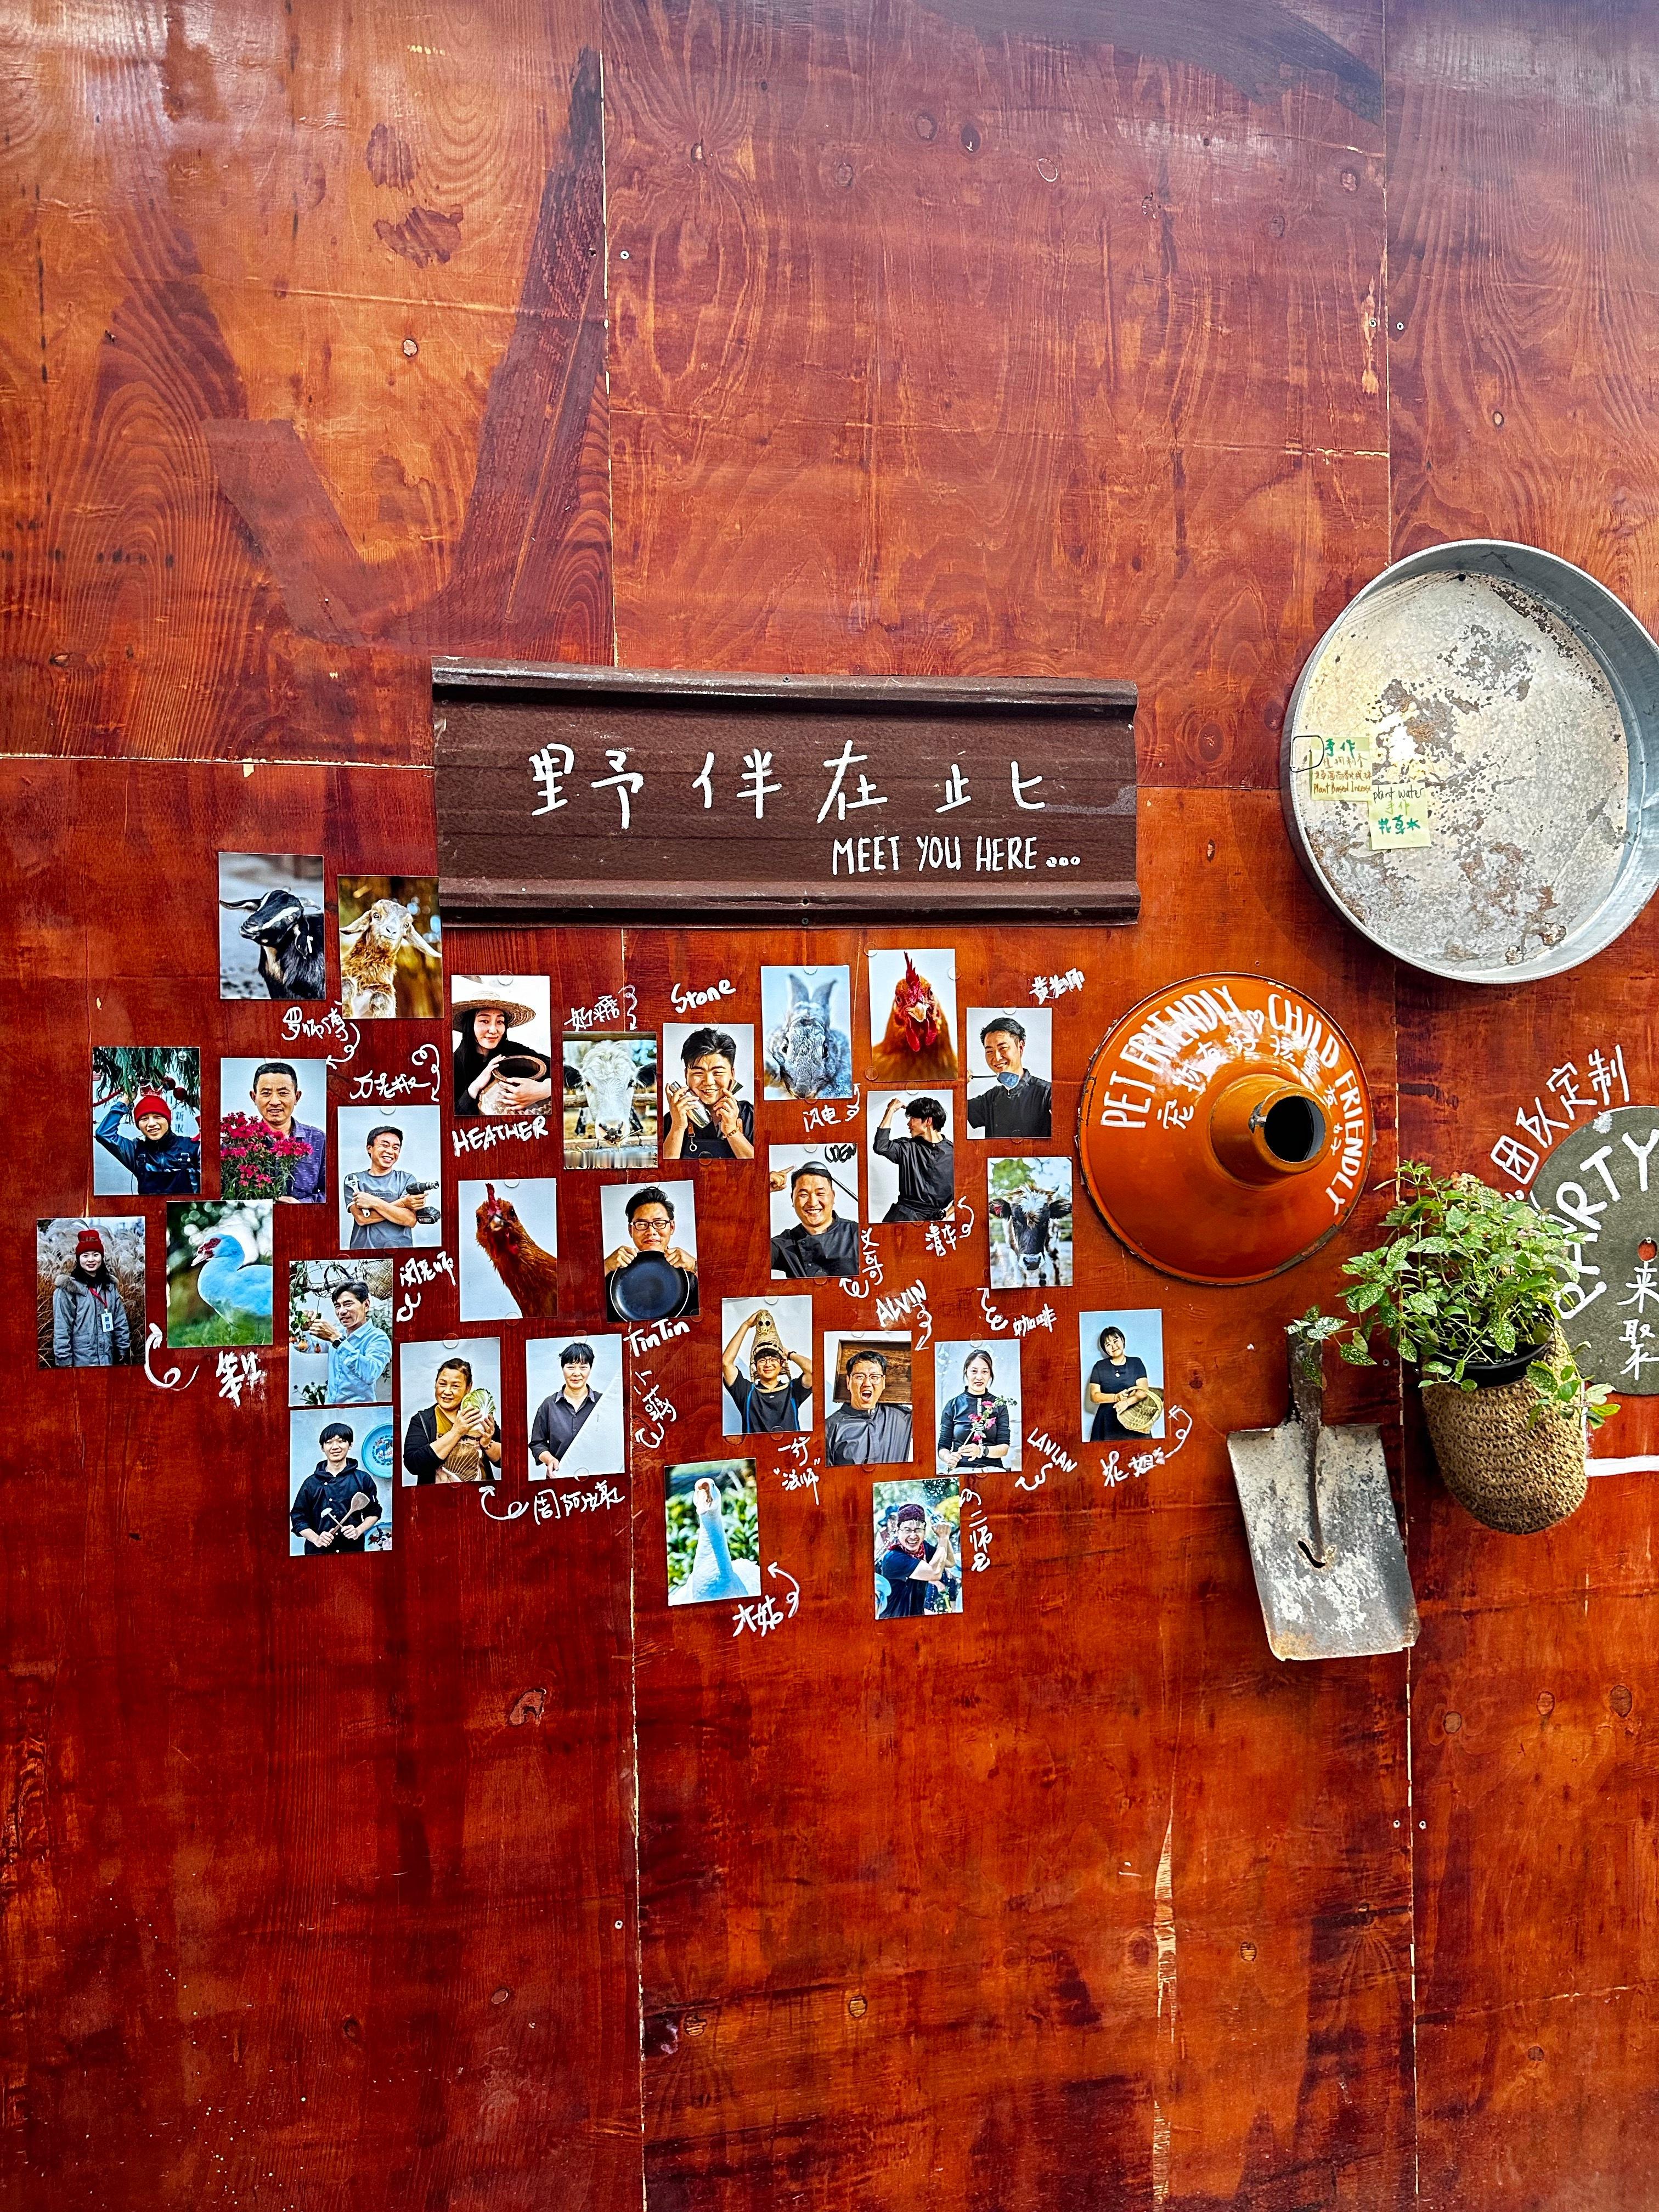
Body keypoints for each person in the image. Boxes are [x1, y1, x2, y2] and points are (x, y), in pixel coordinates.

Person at [402, 1357, 502, 1483]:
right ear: (435, 1384)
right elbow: (413, 1464)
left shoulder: (479, 1417)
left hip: (480, 1494)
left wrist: (487, 1444)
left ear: (468, 1388)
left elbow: (506, 1460)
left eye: (455, 1386)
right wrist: (456, 1432)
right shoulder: (422, 1420)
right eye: (442, 1384)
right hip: (438, 1496)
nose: (447, 1391)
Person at [452, 994, 553, 1119]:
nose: (493, 1030)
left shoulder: (515, 1051)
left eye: (500, 1022)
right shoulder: (451, 1065)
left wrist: (545, 1089)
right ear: (469, 1024)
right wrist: (475, 1087)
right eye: (484, 1021)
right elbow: (449, 1119)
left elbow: (564, 1071)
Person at [605, 1186, 698, 1321]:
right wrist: (606, 1266)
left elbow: (723, 1297)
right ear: (631, 1230)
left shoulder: (691, 1271)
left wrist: (696, 1266)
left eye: (659, 1223)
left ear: (672, 1227)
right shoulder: (613, 1274)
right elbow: (579, 1303)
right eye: (642, 1224)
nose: (651, 1232)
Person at [293, 1278, 391, 1404]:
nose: (342, 1311)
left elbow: (370, 1374)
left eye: (348, 1304)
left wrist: (337, 1340)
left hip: (360, 1411)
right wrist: (303, 1330)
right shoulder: (339, 1332)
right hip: (330, 1409)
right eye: (337, 1306)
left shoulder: (378, 1338)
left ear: (366, 1305)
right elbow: (306, 1347)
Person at [663, 1026, 754, 1160]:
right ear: (686, 1075)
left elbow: (761, 1169)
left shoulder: (751, 1115)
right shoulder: (671, 1120)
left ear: (732, 1074)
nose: (709, 1082)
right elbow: (665, 1171)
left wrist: (731, 1130)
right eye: (698, 1073)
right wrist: (678, 1127)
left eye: (718, 1072)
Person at [290, 1421, 382, 1552]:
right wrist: (316, 1539)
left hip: (353, 1550)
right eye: (329, 1442)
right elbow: (298, 1517)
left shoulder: (363, 1479)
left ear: (350, 1444)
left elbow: (373, 1512)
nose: (335, 1447)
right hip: (318, 1553)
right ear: (322, 1448)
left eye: (341, 1441)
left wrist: (358, 1530)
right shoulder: (311, 1483)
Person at [244, 1061, 327, 1200]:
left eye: (283, 1093)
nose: (275, 1102)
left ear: (297, 1097)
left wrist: (301, 1206)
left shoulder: (319, 1140)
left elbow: (330, 1193)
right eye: (266, 1093)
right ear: (254, 1097)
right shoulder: (238, 1143)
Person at [51, 1227, 133, 1367]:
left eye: (96, 1255)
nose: (91, 1260)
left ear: (102, 1257)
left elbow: (120, 1320)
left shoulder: (109, 1287)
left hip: (107, 1360)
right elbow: (62, 1330)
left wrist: (123, 1348)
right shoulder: (68, 1290)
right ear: (79, 1259)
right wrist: (65, 1364)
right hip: (81, 1364)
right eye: (85, 1256)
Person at [94, 1087, 200, 1195]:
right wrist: (125, 1100)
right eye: (144, 1119)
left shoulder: (193, 1148)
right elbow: (104, 1134)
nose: (151, 1124)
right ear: (138, 1125)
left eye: (158, 1117)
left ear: (168, 1120)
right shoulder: (135, 1151)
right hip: (148, 1206)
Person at [722, 1311, 814, 1433]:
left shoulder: (793, 1391)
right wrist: (746, 1325)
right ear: (755, 1365)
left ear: (781, 1364)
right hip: (754, 1446)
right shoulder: (746, 1392)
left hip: (789, 1446)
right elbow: (726, 1363)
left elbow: (812, 1370)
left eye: (773, 1360)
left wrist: (790, 1355)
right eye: (762, 1360)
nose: (768, 1364)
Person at [966, 1015, 1052, 1141]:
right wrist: (960, 1084)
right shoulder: (990, 1098)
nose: (997, 1058)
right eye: (989, 1051)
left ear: (1020, 1047)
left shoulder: (1048, 1093)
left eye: (1003, 1048)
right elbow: (956, 1110)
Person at [769, 1160, 860, 1279]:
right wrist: (759, 1189)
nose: (813, 1203)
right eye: (804, 1195)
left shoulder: (859, 1234)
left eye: (820, 1193)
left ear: (833, 1196)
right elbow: (746, 1260)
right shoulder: (784, 1243)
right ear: (792, 1199)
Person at [343, 1125, 427, 1250]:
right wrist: (403, 1203)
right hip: (364, 1253)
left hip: (401, 1252)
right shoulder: (354, 1180)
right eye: (385, 1145)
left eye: (396, 1148)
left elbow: (410, 1220)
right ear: (370, 1148)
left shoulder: (407, 1179)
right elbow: (362, 1218)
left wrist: (373, 1202)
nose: (390, 1151)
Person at [825, 1348, 913, 1465]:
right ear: (848, 1382)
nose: (867, 1383)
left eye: (874, 1377)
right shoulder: (830, 1428)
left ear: (883, 1382)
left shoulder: (903, 1418)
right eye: (860, 1377)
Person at [873, 1096, 953, 1223]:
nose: (909, 1124)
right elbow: (881, 1146)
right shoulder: (907, 1147)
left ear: (928, 1121)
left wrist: (947, 1214)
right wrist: (890, 1111)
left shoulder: (956, 1154)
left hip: (934, 1224)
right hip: (902, 1218)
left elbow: (968, 1190)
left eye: (913, 1118)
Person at [531, 1342, 604, 1474]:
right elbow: (537, 1444)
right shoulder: (549, 1405)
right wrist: (550, 1460)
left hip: (598, 1477)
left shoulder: (603, 1403)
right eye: (571, 1367)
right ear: (562, 1368)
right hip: (559, 1476)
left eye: (583, 1367)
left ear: (590, 1369)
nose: (576, 1373)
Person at [877, 1501, 957, 1619]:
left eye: (918, 1530)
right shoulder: (893, 1558)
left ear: (925, 1532)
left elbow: (950, 1562)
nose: (913, 1536)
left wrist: (944, 1536)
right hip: (893, 1622)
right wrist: (943, 1538)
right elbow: (934, 1574)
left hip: (917, 1619)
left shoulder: (924, 1547)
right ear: (898, 1531)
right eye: (907, 1530)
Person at [936, 1348, 1011, 1472]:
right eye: (974, 1371)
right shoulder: (953, 1405)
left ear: (990, 1374)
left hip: (993, 1469)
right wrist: (949, 1457)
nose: (979, 1377)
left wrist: (982, 1451)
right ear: (966, 1371)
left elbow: (1004, 1448)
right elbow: (943, 1446)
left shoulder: (999, 1405)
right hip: (961, 1469)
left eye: (985, 1372)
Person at [990, 1176, 1071, 1288]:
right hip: (1021, 1251)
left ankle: (1047, 1279)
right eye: (1017, 1220)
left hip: (1043, 1249)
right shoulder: (1010, 1220)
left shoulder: (1049, 1220)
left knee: (1053, 1251)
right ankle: (1024, 1284)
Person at [1087, 1325, 1152, 1442]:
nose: (1114, 1346)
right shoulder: (1099, 1367)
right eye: (1108, 1344)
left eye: (1116, 1341)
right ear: (1105, 1349)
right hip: (1107, 1421)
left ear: (1123, 1340)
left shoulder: (1136, 1363)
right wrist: (1116, 1397)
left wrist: (1126, 1403)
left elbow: (1143, 1392)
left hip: (1134, 1419)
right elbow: (1094, 1396)